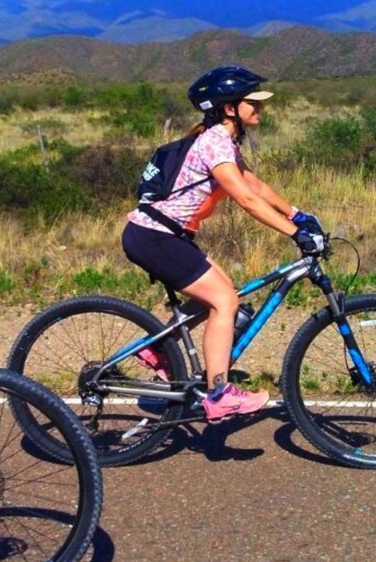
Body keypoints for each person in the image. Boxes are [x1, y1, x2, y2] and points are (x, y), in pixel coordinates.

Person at [122, 65, 326, 421]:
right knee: (224, 300)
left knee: (222, 293)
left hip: (163, 234)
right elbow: (245, 201)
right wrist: (295, 235)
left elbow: (254, 185)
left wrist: (296, 214)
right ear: (229, 107)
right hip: (154, 236)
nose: (260, 108)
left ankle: (156, 351)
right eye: (253, 102)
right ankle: (219, 394)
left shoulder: (223, 141)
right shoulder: (214, 142)